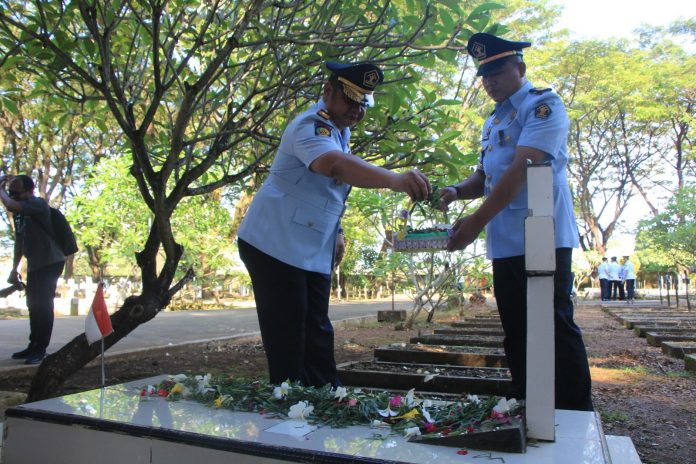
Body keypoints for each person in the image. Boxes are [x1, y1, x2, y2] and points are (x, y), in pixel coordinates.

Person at [237, 61, 431, 387]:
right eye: (351, 100)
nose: (357, 110)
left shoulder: (341, 131)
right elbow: (334, 166)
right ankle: (290, 410)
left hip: (309, 246)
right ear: (328, 92)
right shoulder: (311, 126)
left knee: (317, 329)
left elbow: (328, 191)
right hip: (273, 243)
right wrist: (395, 179)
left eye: (362, 103)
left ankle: (327, 397)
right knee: (289, 333)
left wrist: (338, 232)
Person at [439, 33, 592, 411]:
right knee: (516, 327)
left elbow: (523, 166)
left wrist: (474, 221)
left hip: (543, 234)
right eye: (483, 74)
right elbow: (485, 176)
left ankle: (574, 408)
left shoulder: (543, 106)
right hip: (505, 239)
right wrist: (456, 192)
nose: (489, 81)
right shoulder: (493, 121)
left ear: (519, 68)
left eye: (497, 71)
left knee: (553, 323)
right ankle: (527, 398)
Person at [0, 175, 65, 364]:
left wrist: (1, 190)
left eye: (16, 192)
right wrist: (15, 268)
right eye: (11, 192)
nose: (13, 196)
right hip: (36, 265)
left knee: (43, 306)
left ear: (30, 191)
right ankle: (32, 346)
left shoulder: (38, 204)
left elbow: (11, 205)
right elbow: (19, 241)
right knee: (33, 305)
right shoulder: (21, 214)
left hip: (51, 262)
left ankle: (40, 349)